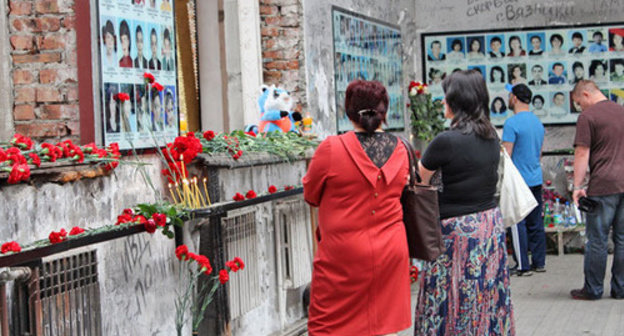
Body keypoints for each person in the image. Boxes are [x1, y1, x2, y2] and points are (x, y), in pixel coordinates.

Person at [303, 80, 411, 335]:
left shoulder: (331, 148)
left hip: (344, 254)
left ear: (349, 110)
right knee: (379, 326)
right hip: (391, 250)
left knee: (327, 326)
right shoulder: (402, 148)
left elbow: (311, 195)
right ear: (384, 111)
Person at [414, 70, 514, 335]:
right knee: (485, 292)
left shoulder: (445, 141)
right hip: (488, 226)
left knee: (449, 296)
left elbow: (419, 184)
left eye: (446, 96)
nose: (443, 102)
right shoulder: (491, 136)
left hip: (455, 231)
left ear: (457, 101)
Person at [570, 79, 624, 300]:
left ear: (585, 94)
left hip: (603, 185)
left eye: (578, 103)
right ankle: (621, 289)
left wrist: (577, 186)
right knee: (622, 239)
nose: (579, 108)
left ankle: (593, 289)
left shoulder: (588, 117)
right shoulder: (621, 111)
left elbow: (582, 153)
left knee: (598, 239)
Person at [502, 83, 546, 276]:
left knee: (516, 222)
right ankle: (539, 262)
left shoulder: (512, 123)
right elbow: (540, 153)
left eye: (510, 95)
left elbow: (506, 154)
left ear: (515, 98)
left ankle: (522, 265)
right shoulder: (537, 122)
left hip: (518, 180)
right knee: (536, 222)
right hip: (536, 177)